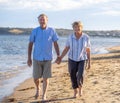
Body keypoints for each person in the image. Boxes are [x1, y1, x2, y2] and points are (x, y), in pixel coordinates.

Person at [27, 14, 60, 100]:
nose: (42, 21)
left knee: (46, 78)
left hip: (48, 58)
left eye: (43, 19)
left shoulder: (52, 30)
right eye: (40, 19)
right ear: (38, 21)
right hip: (36, 58)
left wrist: (58, 55)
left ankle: (44, 95)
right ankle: (38, 88)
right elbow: (30, 44)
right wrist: (29, 58)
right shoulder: (35, 31)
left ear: (47, 20)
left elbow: (55, 44)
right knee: (35, 78)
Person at [56, 21, 91, 98]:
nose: (77, 28)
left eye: (78, 27)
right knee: (72, 75)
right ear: (73, 28)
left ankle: (80, 88)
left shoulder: (86, 37)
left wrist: (89, 62)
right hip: (72, 59)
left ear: (81, 28)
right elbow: (66, 48)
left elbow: (88, 50)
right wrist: (60, 57)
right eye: (75, 27)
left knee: (80, 75)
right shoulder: (70, 37)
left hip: (82, 59)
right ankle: (75, 90)